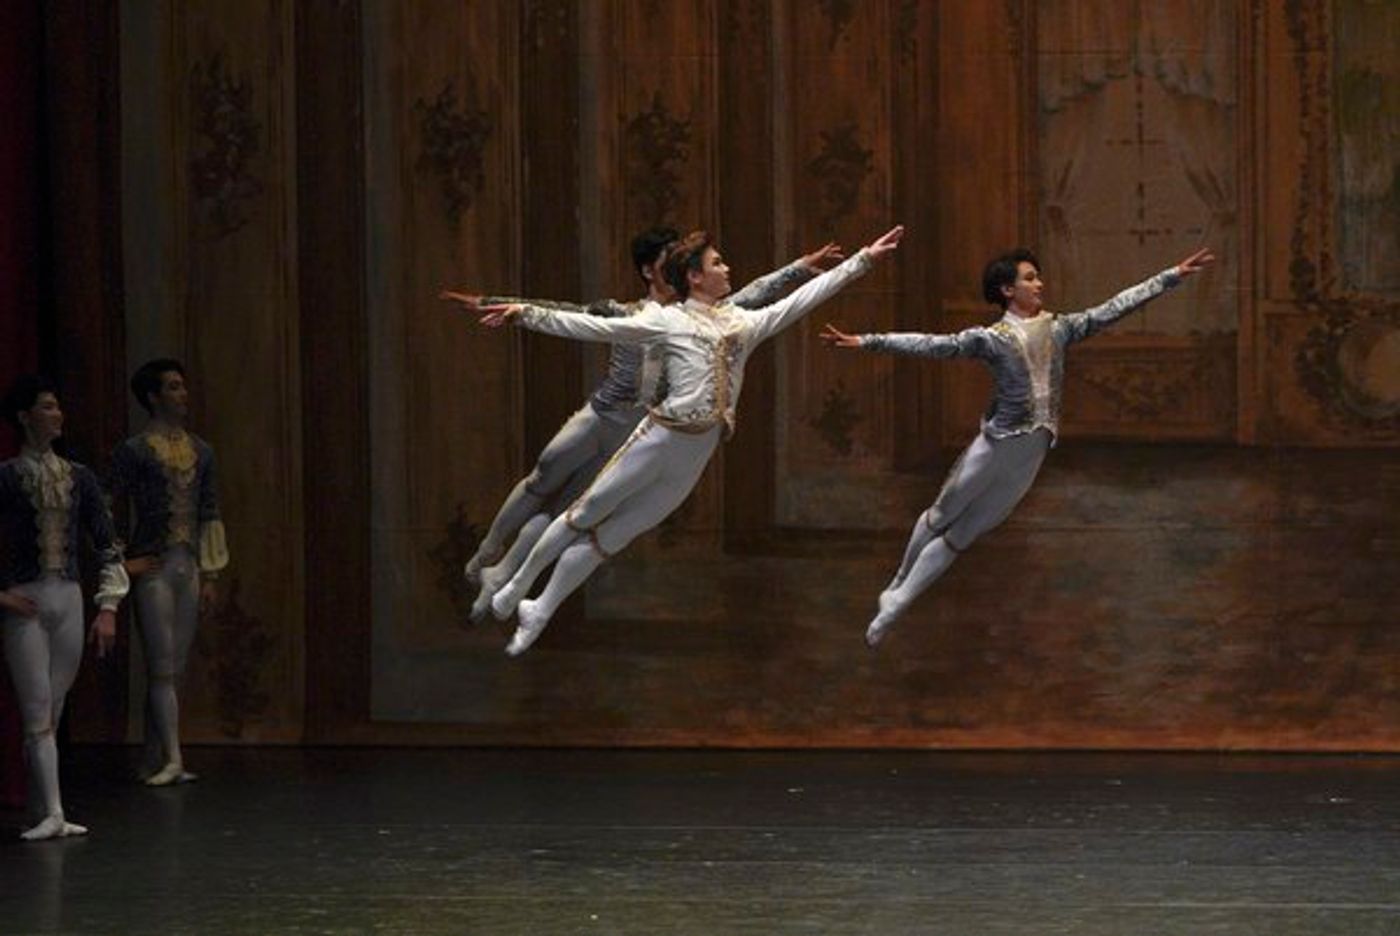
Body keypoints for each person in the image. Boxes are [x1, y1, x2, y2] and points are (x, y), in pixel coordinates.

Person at [478, 224, 904, 655]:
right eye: (717, 262)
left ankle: (540, 609)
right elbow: (589, 326)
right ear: (696, 277)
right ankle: (516, 585)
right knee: (584, 513)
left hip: (694, 456)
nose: (727, 266)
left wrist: (864, 259)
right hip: (658, 439)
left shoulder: (744, 322)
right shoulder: (665, 320)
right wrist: (525, 314)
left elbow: (802, 300)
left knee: (613, 536)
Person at [820, 246, 1216, 646]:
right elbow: (933, 344)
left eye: (1037, 276)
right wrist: (867, 341)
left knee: (966, 531)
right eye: (1029, 278)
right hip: (995, 447)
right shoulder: (992, 339)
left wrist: (1171, 275)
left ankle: (900, 600)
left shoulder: (1060, 327)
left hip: (1032, 453)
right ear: (1008, 290)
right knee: (942, 514)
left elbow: (1114, 308)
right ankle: (899, 582)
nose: (1039, 283)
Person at [0, 375, 128, 839]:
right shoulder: (8, 477)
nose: (57, 414)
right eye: (48, 406)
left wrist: (108, 605)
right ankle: (53, 811)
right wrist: (3, 595)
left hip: (68, 596)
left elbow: (106, 540)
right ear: (24, 416)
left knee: (53, 707)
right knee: (37, 711)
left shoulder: (80, 477)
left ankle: (43, 807)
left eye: (57, 406)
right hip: (26, 600)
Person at [109, 360, 228, 786]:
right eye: (174, 387)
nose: (183, 394)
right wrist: (121, 562)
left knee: (173, 667)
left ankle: (154, 756)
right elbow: (106, 506)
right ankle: (173, 758)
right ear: (153, 397)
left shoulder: (202, 450)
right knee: (161, 667)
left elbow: (209, 509)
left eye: (183, 385)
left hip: (188, 565)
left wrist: (211, 574)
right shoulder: (135, 450)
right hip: (155, 565)